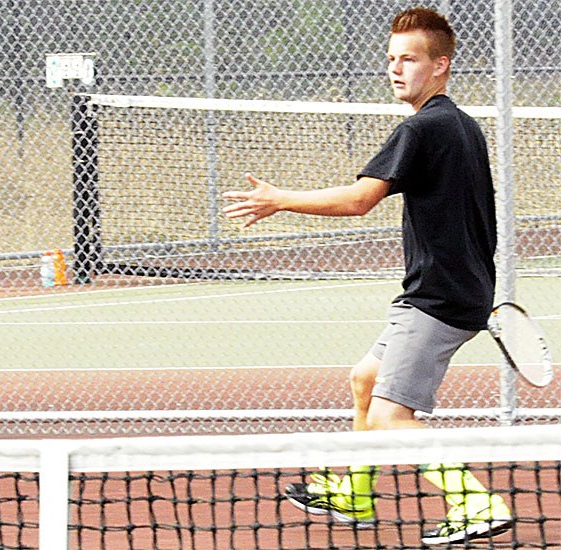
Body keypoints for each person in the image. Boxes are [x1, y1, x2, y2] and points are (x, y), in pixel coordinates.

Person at [222, 6, 513, 546]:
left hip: (438, 298)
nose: (396, 69)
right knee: (365, 380)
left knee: (388, 417)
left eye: (410, 59)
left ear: (440, 65)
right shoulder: (461, 125)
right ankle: (356, 492)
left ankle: (478, 503)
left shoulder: (423, 128)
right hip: (451, 291)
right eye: (391, 59)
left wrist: (278, 200)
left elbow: (360, 200)